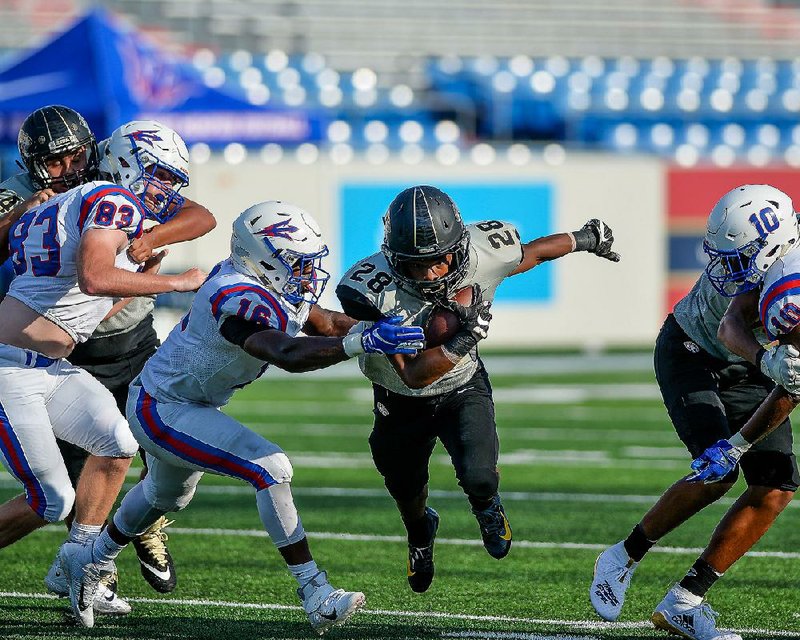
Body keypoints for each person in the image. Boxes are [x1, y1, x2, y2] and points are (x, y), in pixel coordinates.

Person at [62, 201, 425, 632]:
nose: (308, 274)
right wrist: (360, 343)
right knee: (270, 467)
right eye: (297, 263)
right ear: (263, 258)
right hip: (162, 408)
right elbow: (285, 352)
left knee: (165, 496)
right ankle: (315, 591)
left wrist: (373, 329)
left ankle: (88, 560)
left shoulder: (266, 282)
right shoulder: (236, 297)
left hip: (178, 400)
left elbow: (323, 322)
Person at [335, 184, 620, 593]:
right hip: (400, 395)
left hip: (462, 386)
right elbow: (414, 375)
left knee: (480, 476)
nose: (429, 273)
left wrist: (584, 238)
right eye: (415, 265)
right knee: (403, 485)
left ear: (460, 246)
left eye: (438, 261)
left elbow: (532, 253)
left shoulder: (487, 249)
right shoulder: (367, 290)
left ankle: (487, 506)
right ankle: (420, 532)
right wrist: (463, 339)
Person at [1, 107, 216, 603]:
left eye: (77, 155)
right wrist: (21, 213)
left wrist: (149, 239)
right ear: (33, 163)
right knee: (60, 491)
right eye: (56, 162)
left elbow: (199, 214)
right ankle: (91, 564)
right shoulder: (21, 191)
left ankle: (120, 541)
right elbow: (90, 278)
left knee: (144, 444)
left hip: (120, 336)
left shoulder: (114, 176)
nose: (71, 167)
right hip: (46, 350)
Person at [589, 184, 800, 640]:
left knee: (776, 485)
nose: (725, 269)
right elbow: (731, 325)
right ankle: (622, 556)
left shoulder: (793, 291)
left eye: (739, 258)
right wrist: (767, 362)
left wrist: (743, 436)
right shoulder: (771, 274)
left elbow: (794, 383)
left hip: (754, 364)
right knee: (716, 473)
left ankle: (686, 600)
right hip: (690, 350)